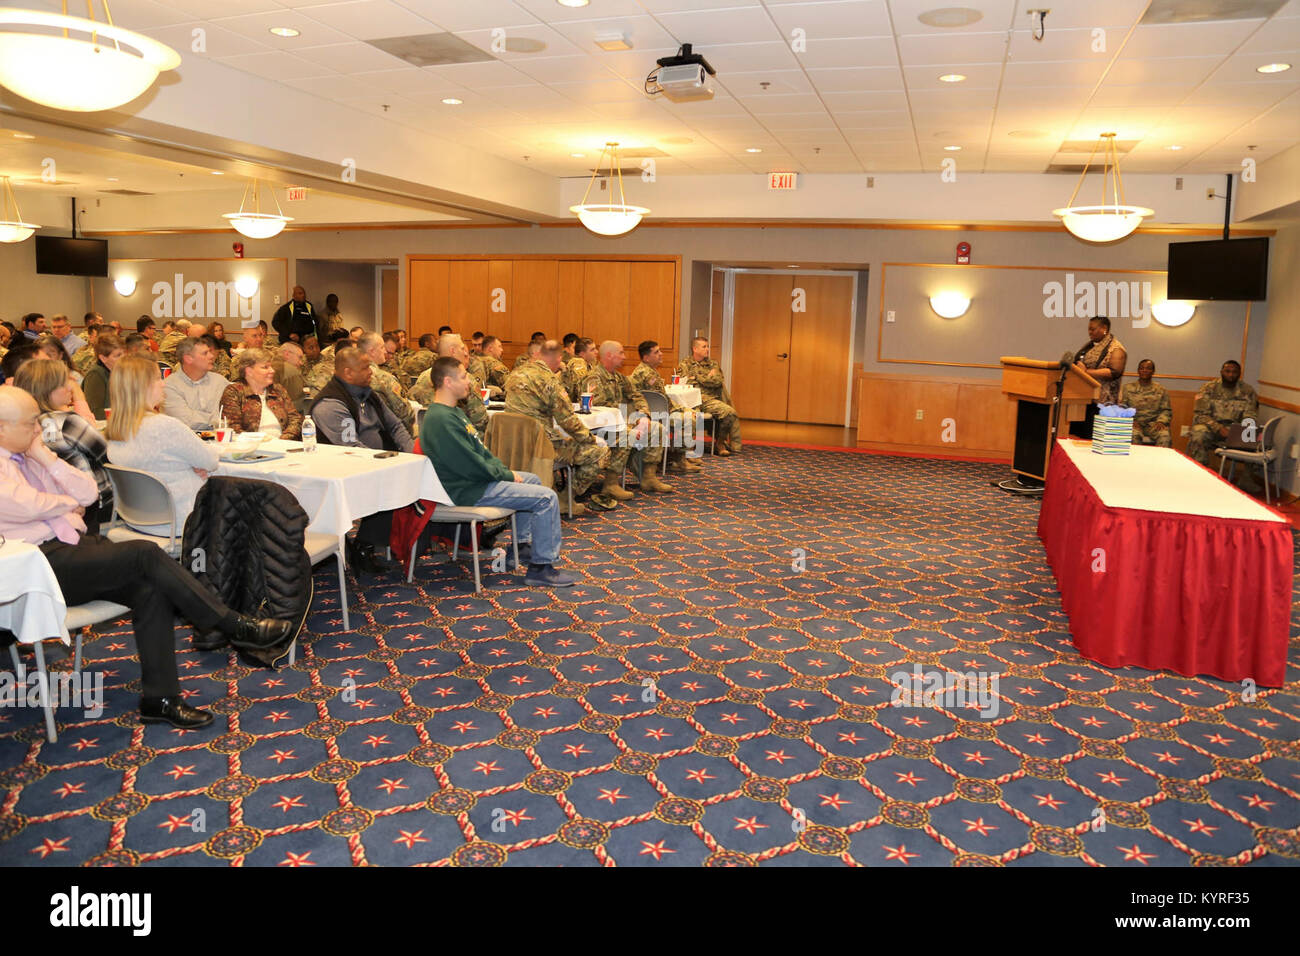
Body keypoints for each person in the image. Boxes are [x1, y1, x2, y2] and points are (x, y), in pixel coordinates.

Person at [0, 384, 292, 729]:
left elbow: (88, 492)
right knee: (144, 553)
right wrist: (64, 505)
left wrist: (45, 457)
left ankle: (161, 698)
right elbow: (22, 504)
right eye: (30, 423)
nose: (39, 429)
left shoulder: (30, 455)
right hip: (31, 567)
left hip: (69, 551)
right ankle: (231, 624)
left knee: (149, 589)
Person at [422, 357, 578, 587]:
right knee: (547, 497)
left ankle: (520, 547)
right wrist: (504, 475)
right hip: (465, 490)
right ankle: (541, 567)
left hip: (473, 481)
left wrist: (503, 470)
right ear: (447, 382)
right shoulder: (441, 419)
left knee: (532, 480)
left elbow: (480, 452)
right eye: (464, 376)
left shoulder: (453, 413)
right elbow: (469, 464)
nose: (469, 381)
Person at [310, 346, 413, 573]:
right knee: (391, 483)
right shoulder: (331, 403)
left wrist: (412, 455)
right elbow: (350, 447)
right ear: (348, 373)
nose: (371, 372)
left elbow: (396, 425)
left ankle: (400, 541)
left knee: (411, 476)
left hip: (378, 461)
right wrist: (385, 464)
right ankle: (365, 546)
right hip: (345, 468)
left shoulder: (369, 394)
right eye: (365, 368)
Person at [106, 355, 220, 535]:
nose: (163, 383)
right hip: (182, 521)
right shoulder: (165, 426)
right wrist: (195, 465)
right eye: (158, 378)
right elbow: (211, 461)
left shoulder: (115, 430)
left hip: (136, 521)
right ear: (143, 387)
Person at [504, 339, 613, 515]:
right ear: (559, 358)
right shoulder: (549, 380)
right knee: (599, 452)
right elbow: (568, 420)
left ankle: (551, 490)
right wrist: (590, 439)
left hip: (514, 445)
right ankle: (565, 500)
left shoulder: (515, 373)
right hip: (542, 447)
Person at [14, 358, 112, 535]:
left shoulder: (22, 426)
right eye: (64, 383)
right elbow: (107, 455)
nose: (70, 387)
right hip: (94, 503)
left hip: (51, 503)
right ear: (47, 390)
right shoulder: (66, 422)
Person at [585, 340, 674, 496]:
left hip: (623, 421)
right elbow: (601, 409)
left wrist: (643, 415)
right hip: (603, 427)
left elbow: (636, 396)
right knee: (627, 435)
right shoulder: (594, 378)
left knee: (657, 429)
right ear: (609, 355)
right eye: (621, 353)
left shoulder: (619, 378)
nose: (625, 357)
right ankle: (611, 483)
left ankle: (648, 478)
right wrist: (633, 421)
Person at [631, 339, 700, 474]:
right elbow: (662, 402)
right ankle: (680, 460)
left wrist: (683, 409)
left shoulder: (647, 370)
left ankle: (672, 456)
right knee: (688, 419)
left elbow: (664, 400)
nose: (661, 354)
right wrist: (684, 410)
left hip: (654, 413)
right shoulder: (647, 374)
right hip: (654, 415)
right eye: (656, 352)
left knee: (688, 414)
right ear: (646, 357)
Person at [1186, 360, 1259, 467]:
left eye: (1234, 372)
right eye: (1227, 371)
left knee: (1253, 436)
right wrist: (1219, 428)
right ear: (1221, 372)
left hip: (1235, 430)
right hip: (1211, 428)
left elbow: (1250, 415)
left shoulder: (1248, 391)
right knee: (1198, 433)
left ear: (1239, 373)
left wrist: (1240, 430)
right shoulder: (1208, 388)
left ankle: (1247, 478)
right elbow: (1200, 415)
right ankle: (1200, 469)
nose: (1231, 375)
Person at [676, 337, 741, 456]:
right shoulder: (685, 364)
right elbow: (686, 383)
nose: (707, 349)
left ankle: (720, 443)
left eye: (708, 346)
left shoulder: (713, 364)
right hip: (691, 401)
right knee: (687, 416)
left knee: (730, 413)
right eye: (704, 347)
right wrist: (708, 377)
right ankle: (686, 449)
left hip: (709, 400)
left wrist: (698, 378)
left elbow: (718, 380)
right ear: (695, 349)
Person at [221, 348, 302, 440]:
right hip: (251, 448)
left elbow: (295, 419)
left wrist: (283, 439)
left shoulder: (278, 390)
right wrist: (259, 441)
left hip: (284, 445)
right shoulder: (234, 392)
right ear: (249, 371)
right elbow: (232, 427)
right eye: (265, 367)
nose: (272, 371)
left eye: (271, 366)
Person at [1069, 316, 1127, 439]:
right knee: (1079, 436)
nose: (1090, 332)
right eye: (1089, 329)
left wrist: (1086, 372)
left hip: (1103, 402)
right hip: (1084, 398)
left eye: (1093, 329)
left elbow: (1114, 372)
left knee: (1094, 437)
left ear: (1104, 329)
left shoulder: (1116, 348)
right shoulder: (1090, 346)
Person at [162, 336, 230, 429]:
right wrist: (216, 420)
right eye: (205, 353)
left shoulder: (220, 382)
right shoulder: (169, 386)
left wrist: (197, 416)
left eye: (210, 352)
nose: (211, 356)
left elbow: (229, 415)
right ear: (188, 359)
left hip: (220, 440)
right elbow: (185, 421)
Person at [357, 331, 416, 437]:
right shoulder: (384, 379)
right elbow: (405, 414)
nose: (385, 351)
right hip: (387, 438)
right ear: (372, 351)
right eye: (382, 347)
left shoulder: (348, 375)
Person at [1120, 359, 1172, 448]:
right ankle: (1133, 461)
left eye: (1148, 368)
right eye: (1142, 368)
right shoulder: (1127, 388)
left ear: (1153, 371)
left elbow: (1166, 410)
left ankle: (1159, 461)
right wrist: (1130, 420)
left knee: (1165, 436)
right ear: (1138, 371)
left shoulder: (1161, 390)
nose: (1144, 370)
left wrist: (1161, 421)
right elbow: (1122, 408)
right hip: (1134, 423)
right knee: (1133, 435)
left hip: (1153, 424)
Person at [82, 332, 124, 419]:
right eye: (118, 355)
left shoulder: (120, 372)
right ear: (103, 358)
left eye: (124, 353)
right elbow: (94, 412)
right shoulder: (95, 375)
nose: (124, 358)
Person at [561, 336, 595, 403]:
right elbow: (582, 390)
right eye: (592, 350)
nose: (596, 352)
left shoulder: (588, 364)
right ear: (582, 353)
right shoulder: (578, 363)